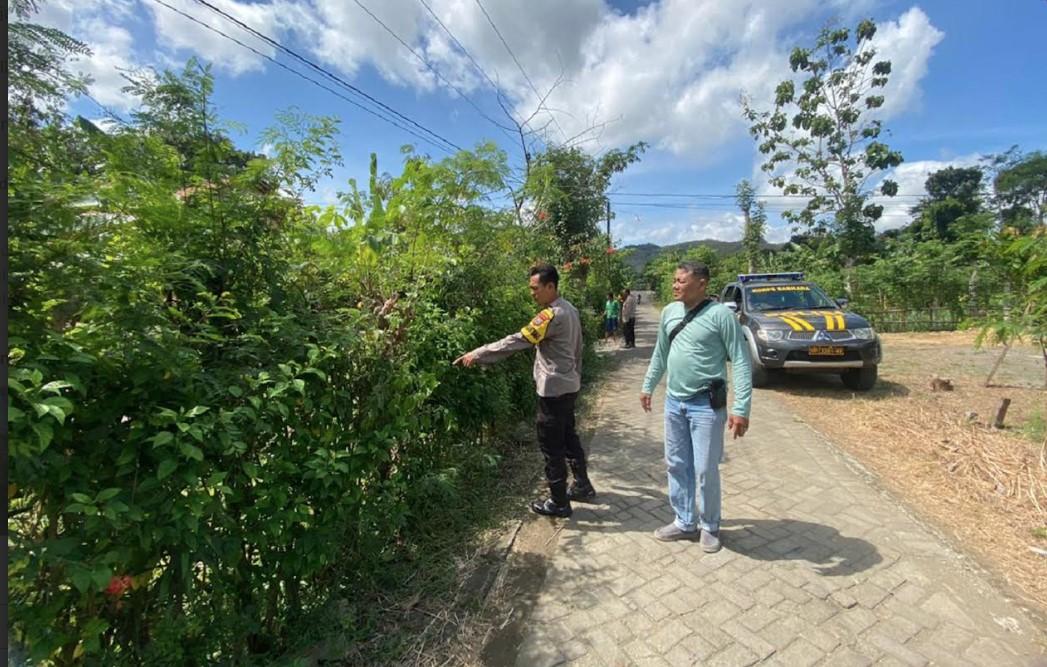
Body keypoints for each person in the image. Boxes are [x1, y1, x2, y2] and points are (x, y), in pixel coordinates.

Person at [454, 264, 595, 518]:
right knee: (568, 437)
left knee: (551, 445)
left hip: (553, 390)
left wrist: (479, 353)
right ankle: (582, 485)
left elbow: (517, 340)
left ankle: (559, 502)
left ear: (550, 286)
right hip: (569, 386)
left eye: (535, 288)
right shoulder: (570, 309)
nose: (532, 293)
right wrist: (575, 377)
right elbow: (578, 349)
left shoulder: (550, 316)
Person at [639, 262, 752, 552]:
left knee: (704, 469)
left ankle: (710, 526)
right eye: (674, 280)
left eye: (681, 281)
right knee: (676, 464)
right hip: (674, 403)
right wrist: (648, 385)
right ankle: (684, 521)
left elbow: (740, 360)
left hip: (706, 406)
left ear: (701, 284)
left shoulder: (721, 316)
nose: (675, 286)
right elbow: (661, 352)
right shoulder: (669, 312)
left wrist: (741, 407)